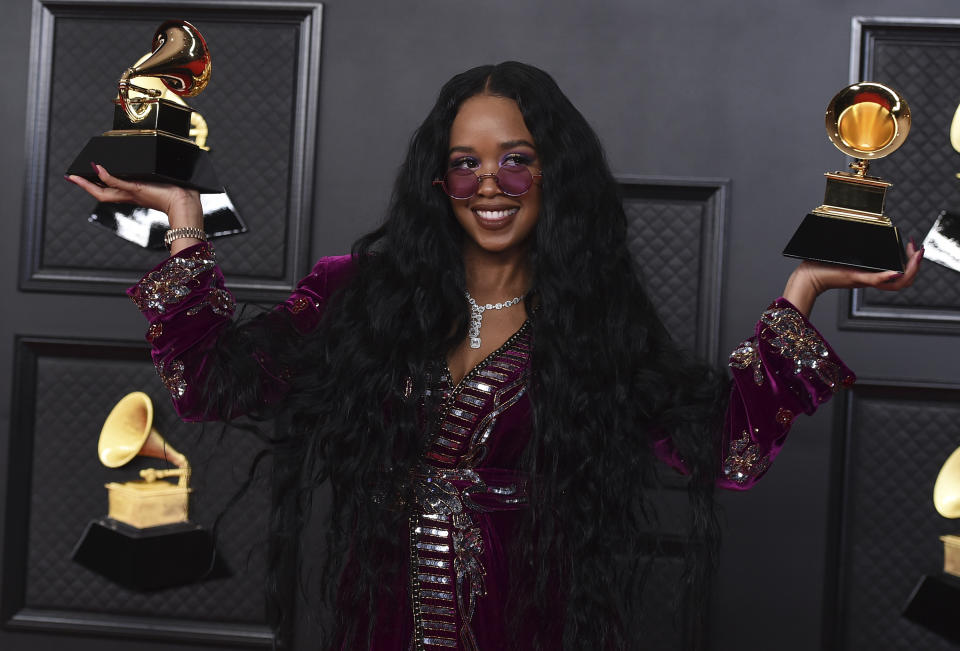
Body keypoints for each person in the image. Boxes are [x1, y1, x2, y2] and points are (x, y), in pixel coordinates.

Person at [67, 62, 922, 650]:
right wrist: (183, 216)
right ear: (436, 180)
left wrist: (806, 286)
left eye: (517, 164)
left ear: (554, 176)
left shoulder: (593, 321)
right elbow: (211, 386)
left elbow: (719, 451)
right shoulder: (356, 293)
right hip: (383, 622)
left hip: (536, 622)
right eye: (465, 163)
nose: (489, 184)